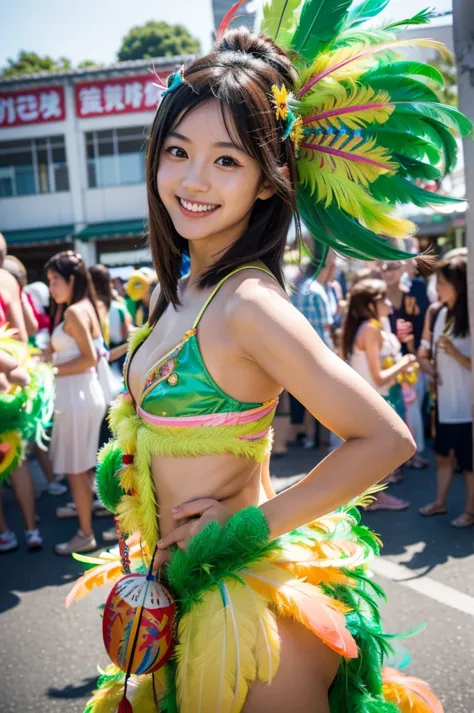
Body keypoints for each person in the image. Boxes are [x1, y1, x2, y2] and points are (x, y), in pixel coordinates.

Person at [67, 3, 468, 710]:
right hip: (177, 593)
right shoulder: (180, 289)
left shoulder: (247, 303)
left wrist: (248, 525)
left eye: (228, 160)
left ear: (266, 180)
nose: (194, 180)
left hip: (247, 627)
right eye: (178, 150)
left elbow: (385, 437)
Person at [46, 251, 107, 554]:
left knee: (75, 468)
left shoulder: (74, 311)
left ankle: (85, 533)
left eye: (55, 280)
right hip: (81, 395)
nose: (51, 287)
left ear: (71, 280)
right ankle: (86, 525)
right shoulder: (84, 307)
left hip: (77, 396)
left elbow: (89, 358)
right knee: (81, 468)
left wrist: (49, 369)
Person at [342, 278, 417, 510]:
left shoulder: (369, 327)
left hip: (374, 399)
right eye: (382, 298)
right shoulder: (372, 329)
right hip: (376, 399)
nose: (388, 302)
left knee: (378, 454)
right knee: (382, 454)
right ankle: (375, 498)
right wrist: (404, 363)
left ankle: (372, 498)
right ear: (370, 304)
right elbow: (379, 377)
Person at [418, 256, 474, 527]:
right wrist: (429, 366)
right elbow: (425, 352)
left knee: (469, 463)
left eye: (441, 283)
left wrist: (453, 352)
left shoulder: (471, 315)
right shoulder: (438, 313)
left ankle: (470, 511)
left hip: (468, 405)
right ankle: (440, 502)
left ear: (458, 285)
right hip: (445, 402)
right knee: (442, 455)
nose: (436, 287)